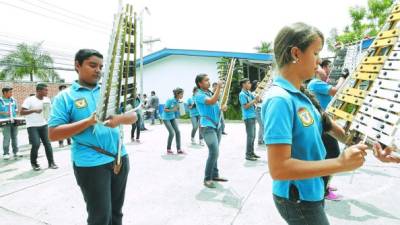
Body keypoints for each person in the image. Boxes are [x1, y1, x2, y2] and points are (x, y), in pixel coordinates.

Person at [262, 22, 399, 225]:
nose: (319, 61)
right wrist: (340, 163)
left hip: (312, 191)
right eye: (316, 52)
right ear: (296, 53)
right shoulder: (280, 100)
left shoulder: (303, 95)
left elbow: (339, 131)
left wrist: (378, 146)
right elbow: (279, 169)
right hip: (296, 198)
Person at [48, 49, 137, 225]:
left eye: (101, 67)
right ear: (77, 65)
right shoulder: (65, 97)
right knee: (100, 217)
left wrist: (119, 118)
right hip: (91, 163)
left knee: (116, 213)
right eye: (92, 65)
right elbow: (53, 133)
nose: (98, 70)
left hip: (119, 158)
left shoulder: (111, 93)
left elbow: (134, 116)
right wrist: (89, 121)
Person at [307, 65, 347, 201]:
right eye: (326, 68)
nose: (328, 71)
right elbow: (336, 91)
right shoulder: (315, 83)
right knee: (332, 155)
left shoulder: (319, 84)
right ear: (318, 70)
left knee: (327, 155)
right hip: (324, 126)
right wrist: (343, 76)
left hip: (325, 124)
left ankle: (325, 185)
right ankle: (323, 190)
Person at [195, 74, 228, 188]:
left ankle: (215, 175)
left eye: (209, 79)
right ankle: (207, 178)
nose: (209, 82)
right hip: (207, 126)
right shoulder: (198, 95)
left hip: (216, 126)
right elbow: (212, 101)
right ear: (200, 83)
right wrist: (218, 87)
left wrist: (222, 108)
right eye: (206, 80)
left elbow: (216, 106)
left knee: (215, 151)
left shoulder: (209, 93)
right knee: (214, 151)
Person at [21, 83, 57, 171]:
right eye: (45, 90)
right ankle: (34, 163)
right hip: (32, 126)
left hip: (44, 124)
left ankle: (51, 163)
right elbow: (21, 112)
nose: (47, 91)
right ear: (39, 91)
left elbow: (48, 113)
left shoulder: (47, 100)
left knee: (48, 144)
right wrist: (34, 110)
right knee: (36, 144)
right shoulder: (29, 100)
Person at [239, 78, 261, 161]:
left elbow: (256, 101)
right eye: (248, 83)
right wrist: (254, 100)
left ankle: (252, 152)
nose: (250, 84)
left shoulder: (248, 92)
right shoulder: (242, 94)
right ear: (243, 84)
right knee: (250, 136)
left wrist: (258, 98)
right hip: (248, 117)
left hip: (253, 116)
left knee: (253, 136)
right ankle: (248, 154)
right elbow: (245, 106)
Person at [0, 86, 21, 160]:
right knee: (7, 137)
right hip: (5, 122)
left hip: (14, 121)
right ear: (5, 93)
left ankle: (16, 151)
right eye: (10, 92)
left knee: (15, 137)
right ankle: (6, 153)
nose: (11, 93)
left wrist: (16, 112)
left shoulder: (13, 100)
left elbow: (16, 109)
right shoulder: (0, 100)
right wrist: (4, 113)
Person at [162, 88, 185, 154]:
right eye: (181, 94)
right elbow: (165, 109)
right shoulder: (170, 100)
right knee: (172, 133)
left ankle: (179, 149)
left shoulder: (179, 101)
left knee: (178, 132)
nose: (182, 95)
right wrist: (173, 109)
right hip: (166, 118)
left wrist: (181, 109)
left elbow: (178, 110)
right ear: (177, 94)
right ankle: (168, 149)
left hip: (172, 117)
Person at [251, 80, 264, 145]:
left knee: (264, 125)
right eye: (258, 84)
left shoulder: (263, 92)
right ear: (255, 85)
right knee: (262, 125)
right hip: (258, 110)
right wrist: (259, 98)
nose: (260, 85)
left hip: (263, 110)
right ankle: (260, 140)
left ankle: (262, 139)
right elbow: (258, 101)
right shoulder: (254, 93)